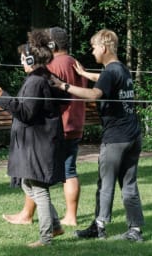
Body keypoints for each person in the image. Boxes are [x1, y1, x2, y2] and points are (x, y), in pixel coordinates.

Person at [50, 28, 145, 242]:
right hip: (133, 136)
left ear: (103, 47)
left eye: (93, 47)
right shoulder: (121, 70)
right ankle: (135, 230)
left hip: (116, 138)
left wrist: (64, 85)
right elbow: (102, 79)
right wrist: (84, 75)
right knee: (129, 185)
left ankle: (99, 227)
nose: (92, 52)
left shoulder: (111, 72)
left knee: (105, 183)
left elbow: (95, 93)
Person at [1, 27, 87, 227]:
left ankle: (31, 216)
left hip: (57, 127)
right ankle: (69, 216)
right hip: (76, 122)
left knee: (36, 176)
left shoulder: (53, 65)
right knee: (69, 171)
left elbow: (40, 98)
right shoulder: (75, 62)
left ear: (51, 45)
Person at [0, 29, 67, 247]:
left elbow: (26, 112)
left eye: (23, 58)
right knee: (27, 183)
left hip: (38, 143)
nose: (21, 62)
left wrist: (3, 97)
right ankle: (54, 225)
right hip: (37, 142)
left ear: (32, 59)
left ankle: (46, 237)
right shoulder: (41, 78)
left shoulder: (36, 81)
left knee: (38, 188)